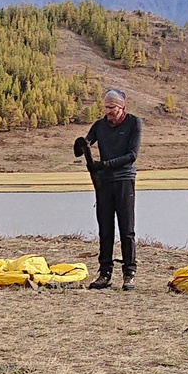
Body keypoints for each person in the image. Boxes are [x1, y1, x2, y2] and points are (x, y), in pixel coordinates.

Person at [72, 88, 140, 290]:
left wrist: (105, 164)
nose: (108, 111)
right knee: (105, 229)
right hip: (103, 183)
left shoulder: (133, 123)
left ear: (122, 107)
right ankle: (105, 274)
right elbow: (84, 146)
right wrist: (81, 145)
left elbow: (132, 155)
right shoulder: (99, 125)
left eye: (112, 107)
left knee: (126, 229)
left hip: (124, 179)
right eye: (106, 107)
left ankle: (129, 273)